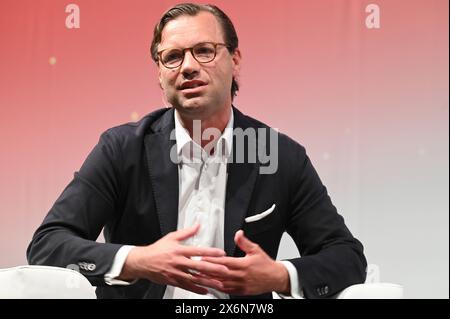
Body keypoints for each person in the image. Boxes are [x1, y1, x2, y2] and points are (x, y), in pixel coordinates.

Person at [27, 3, 367, 299]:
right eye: (172, 57)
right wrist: (137, 261)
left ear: (235, 60)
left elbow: (346, 256)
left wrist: (279, 276)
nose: (188, 66)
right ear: (159, 74)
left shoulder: (279, 156)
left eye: (204, 51)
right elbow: (48, 244)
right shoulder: (121, 149)